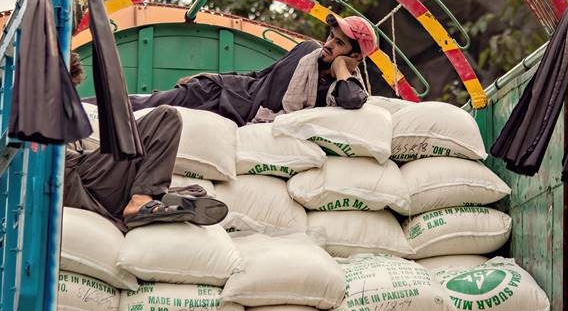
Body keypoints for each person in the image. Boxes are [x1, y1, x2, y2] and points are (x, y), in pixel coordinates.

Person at [64, 52, 227, 231]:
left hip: (92, 181)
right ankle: (141, 200)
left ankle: (150, 199)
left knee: (195, 191)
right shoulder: (43, 113)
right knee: (166, 117)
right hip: (84, 183)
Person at [129, 14, 377, 126]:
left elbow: (354, 100)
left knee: (160, 121)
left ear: (355, 55)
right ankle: (92, 109)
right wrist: (211, 77)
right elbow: (259, 76)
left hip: (237, 118)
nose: (328, 44)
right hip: (219, 93)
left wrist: (342, 68)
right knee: (149, 104)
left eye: (339, 43)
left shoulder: (334, 91)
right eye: (331, 37)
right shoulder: (306, 51)